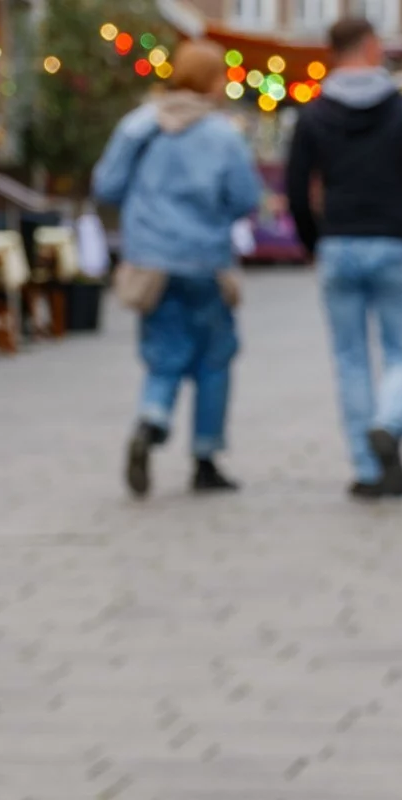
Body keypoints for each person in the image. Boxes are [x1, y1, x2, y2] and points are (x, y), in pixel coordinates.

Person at [285, 16, 402, 500]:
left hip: (338, 242)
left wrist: (312, 243)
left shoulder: (314, 114)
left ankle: (366, 467)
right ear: (369, 46)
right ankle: (389, 422)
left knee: (350, 359)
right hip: (393, 242)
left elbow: (296, 190)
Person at [92, 38, 264, 498]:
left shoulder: (138, 126)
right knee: (213, 358)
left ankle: (152, 420)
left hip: (151, 262)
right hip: (206, 260)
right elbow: (246, 198)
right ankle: (205, 459)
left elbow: (106, 185)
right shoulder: (223, 134)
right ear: (210, 82)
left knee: (164, 352)